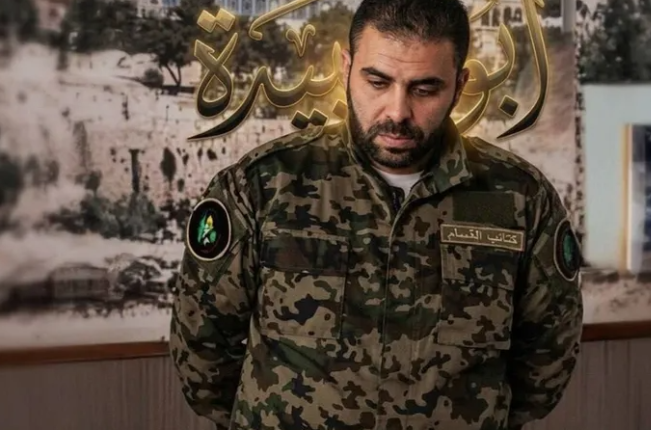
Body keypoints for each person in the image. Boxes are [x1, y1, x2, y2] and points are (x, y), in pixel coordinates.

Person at [169, 0, 584, 428]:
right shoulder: (265, 185)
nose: (398, 111)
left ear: (460, 86)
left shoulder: (517, 197)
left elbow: (546, 360)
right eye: (378, 82)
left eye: (425, 89)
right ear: (346, 68)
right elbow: (202, 349)